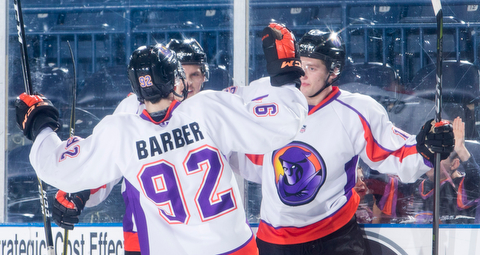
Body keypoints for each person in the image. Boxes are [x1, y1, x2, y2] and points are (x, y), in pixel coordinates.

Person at [15, 24, 307, 254]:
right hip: (231, 247)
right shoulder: (209, 107)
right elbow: (282, 123)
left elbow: (60, 168)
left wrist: (41, 127)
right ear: (175, 78)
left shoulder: (122, 129)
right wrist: (285, 77)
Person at [244, 29, 454, 255]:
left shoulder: (356, 111)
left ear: (333, 72)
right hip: (274, 240)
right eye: (299, 64)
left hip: (334, 239)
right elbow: (252, 162)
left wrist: (426, 148)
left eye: (312, 68)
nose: (302, 74)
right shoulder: (270, 105)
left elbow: (394, 153)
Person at [51, 38, 211, 255]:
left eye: (195, 74)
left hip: (206, 239)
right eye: (182, 74)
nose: (188, 83)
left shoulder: (214, 113)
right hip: (143, 236)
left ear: (205, 76)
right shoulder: (132, 108)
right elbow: (106, 161)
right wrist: (82, 189)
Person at [415, 116, 480, 224]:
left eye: (438, 156)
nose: (430, 160)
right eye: (429, 153)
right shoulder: (419, 184)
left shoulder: (462, 186)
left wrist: (460, 148)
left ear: (454, 164)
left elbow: (477, 181)